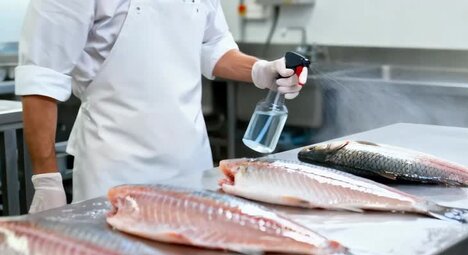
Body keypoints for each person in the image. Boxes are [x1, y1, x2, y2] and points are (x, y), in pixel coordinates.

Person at [16, 0, 307, 213]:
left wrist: (260, 70)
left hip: (192, 167)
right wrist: (47, 181)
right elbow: (42, 78)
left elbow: (214, 45)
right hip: (115, 173)